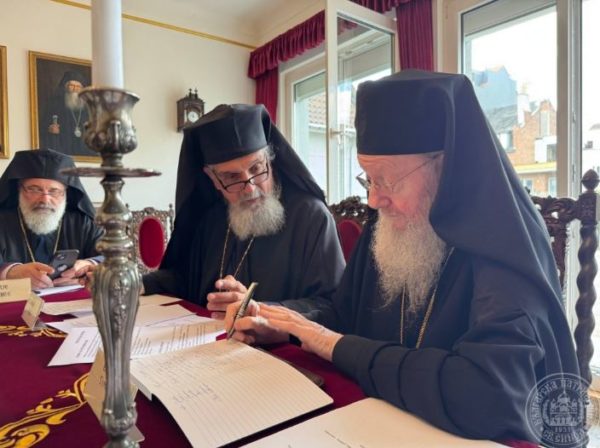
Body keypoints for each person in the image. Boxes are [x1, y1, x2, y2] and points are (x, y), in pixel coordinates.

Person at [225, 71, 581, 444]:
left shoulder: (500, 241)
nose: (373, 199)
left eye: (386, 180)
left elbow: (490, 392)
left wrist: (336, 345)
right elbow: (343, 314)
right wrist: (281, 324)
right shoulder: (390, 225)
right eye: (368, 179)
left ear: (445, 166)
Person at [143, 104, 345, 317]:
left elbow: (330, 306)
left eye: (256, 168)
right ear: (213, 179)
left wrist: (260, 311)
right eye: (232, 177)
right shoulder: (212, 219)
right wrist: (138, 284)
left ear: (269, 159)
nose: (249, 188)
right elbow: (187, 280)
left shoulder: (311, 217)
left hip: (275, 339)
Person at [0, 148, 103, 289]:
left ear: (65, 193)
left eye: (54, 191)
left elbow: (115, 256)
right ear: (19, 189)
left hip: (71, 301)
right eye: (34, 189)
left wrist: (90, 264)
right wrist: (10, 272)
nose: (45, 199)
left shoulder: (82, 222)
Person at [39, 70, 96, 157]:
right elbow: (42, 126)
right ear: (65, 87)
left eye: (78, 86)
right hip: (62, 148)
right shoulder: (55, 104)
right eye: (71, 85)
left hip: (85, 152)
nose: (75, 89)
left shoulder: (88, 107)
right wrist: (50, 129)